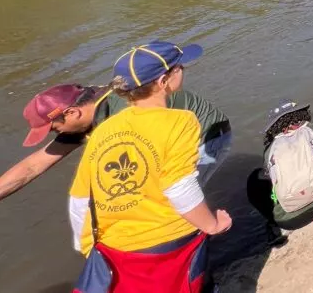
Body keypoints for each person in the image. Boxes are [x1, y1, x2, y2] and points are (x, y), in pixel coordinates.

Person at [68, 41, 232, 293]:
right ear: (163, 81)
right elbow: (179, 187)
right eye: (179, 68)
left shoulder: (103, 132)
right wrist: (212, 225)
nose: (183, 70)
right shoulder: (181, 121)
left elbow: (80, 199)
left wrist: (88, 248)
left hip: (114, 251)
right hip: (169, 246)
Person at [1, 77, 230, 203]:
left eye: (54, 128)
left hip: (206, 135)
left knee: (173, 203)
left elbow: (153, 163)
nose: (56, 134)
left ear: (72, 113)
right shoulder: (82, 119)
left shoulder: (128, 110)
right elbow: (33, 165)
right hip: (159, 138)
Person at [246, 100, 313, 239]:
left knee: (255, 180)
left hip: (289, 220)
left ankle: (276, 227)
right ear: (301, 114)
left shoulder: (270, 150)